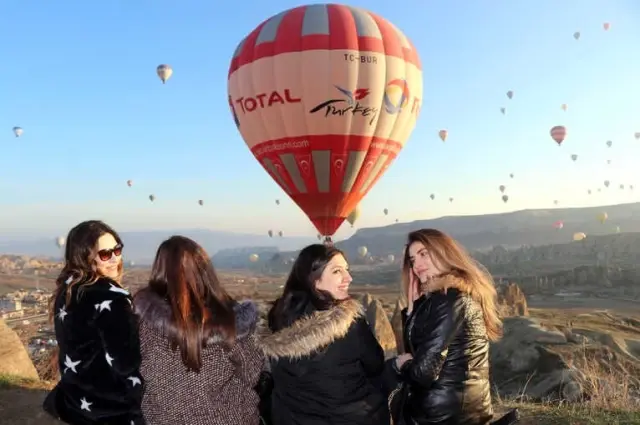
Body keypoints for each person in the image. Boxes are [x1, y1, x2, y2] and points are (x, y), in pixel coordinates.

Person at [133, 236, 263, 425]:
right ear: (205, 271)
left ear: (160, 270)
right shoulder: (232, 323)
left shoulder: (142, 320)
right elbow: (252, 374)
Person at [262, 244, 389, 425]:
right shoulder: (348, 325)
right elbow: (375, 364)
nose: (349, 278)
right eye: (337, 271)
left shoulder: (275, 319)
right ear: (315, 280)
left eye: (347, 270)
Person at [389, 228, 503, 425]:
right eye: (413, 260)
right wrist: (411, 311)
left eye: (424, 254)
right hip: (462, 410)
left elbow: (422, 373)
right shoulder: (453, 295)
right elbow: (419, 351)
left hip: (443, 416)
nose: (417, 265)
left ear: (444, 252)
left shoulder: (448, 299)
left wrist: (402, 364)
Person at [43, 220, 144, 425]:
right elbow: (127, 364)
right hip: (112, 410)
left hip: (76, 401)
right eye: (105, 254)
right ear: (85, 257)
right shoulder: (113, 298)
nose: (115, 258)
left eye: (117, 249)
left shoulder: (68, 289)